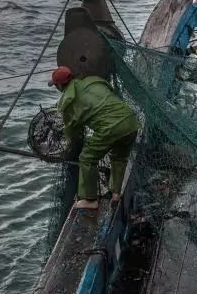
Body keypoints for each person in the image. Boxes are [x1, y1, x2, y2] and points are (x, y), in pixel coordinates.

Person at [51, 66, 140, 211]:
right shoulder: (93, 81)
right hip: (131, 121)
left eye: (55, 85)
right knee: (119, 157)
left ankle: (90, 200)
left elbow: (73, 133)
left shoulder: (68, 101)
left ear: (60, 85)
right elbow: (109, 91)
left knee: (87, 158)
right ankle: (116, 194)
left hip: (111, 128)